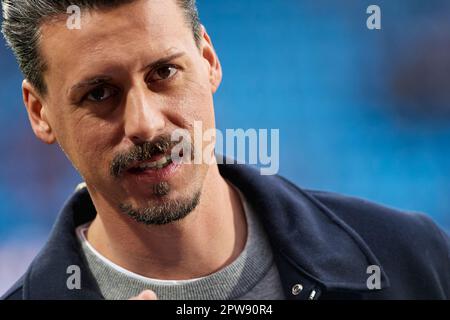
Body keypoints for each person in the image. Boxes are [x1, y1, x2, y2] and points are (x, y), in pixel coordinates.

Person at [1, 0, 448, 300]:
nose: (145, 123)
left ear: (209, 61)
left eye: (164, 73)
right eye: (99, 94)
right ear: (41, 113)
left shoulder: (412, 258)